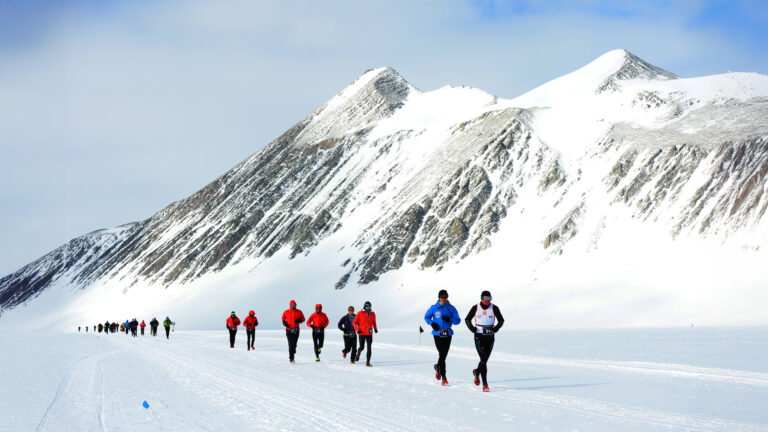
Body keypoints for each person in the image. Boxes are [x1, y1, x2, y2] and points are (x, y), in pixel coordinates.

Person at [465, 290, 505, 392]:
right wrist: (472, 328)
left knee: (484, 360)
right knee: (483, 359)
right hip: (479, 336)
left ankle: (477, 372)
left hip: (490, 336)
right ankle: (485, 385)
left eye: (489, 298)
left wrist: (496, 328)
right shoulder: (476, 307)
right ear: (482, 298)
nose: (488, 301)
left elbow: (501, 320)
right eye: (486, 298)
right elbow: (467, 319)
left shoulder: (494, 308)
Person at [424, 289, 460, 386]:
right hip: (437, 334)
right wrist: (432, 323)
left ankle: (437, 367)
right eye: (442, 297)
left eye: (446, 297)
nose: (444, 299)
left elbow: (458, 321)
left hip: (448, 333)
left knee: (443, 355)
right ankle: (444, 377)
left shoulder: (451, 308)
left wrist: (450, 319)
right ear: (439, 297)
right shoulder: (434, 307)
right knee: (442, 354)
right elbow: (426, 317)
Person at [353, 301, 378, 367]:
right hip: (361, 333)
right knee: (362, 347)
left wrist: (375, 329)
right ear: (364, 306)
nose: (368, 307)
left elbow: (374, 322)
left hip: (369, 333)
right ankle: (358, 353)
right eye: (367, 306)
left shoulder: (373, 314)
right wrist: (357, 330)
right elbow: (354, 322)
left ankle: (368, 362)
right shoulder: (360, 313)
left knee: (369, 347)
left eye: (369, 306)